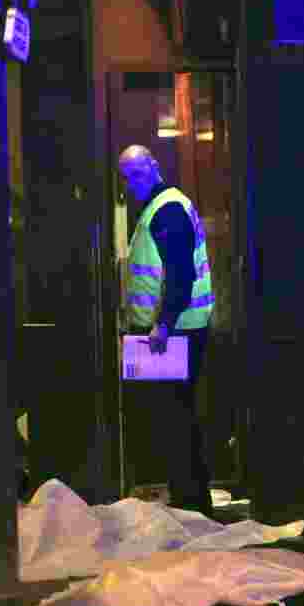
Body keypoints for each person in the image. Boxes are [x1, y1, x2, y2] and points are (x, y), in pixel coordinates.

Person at [118, 145, 216, 516]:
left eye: (136, 173)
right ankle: (189, 498)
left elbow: (180, 273)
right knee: (177, 418)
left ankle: (190, 501)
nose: (131, 183)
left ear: (154, 168)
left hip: (175, 334)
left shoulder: (167, 209)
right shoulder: (164, 206)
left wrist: (162, 325)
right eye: (126, 177)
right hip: (178, 330)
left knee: (176, 419)